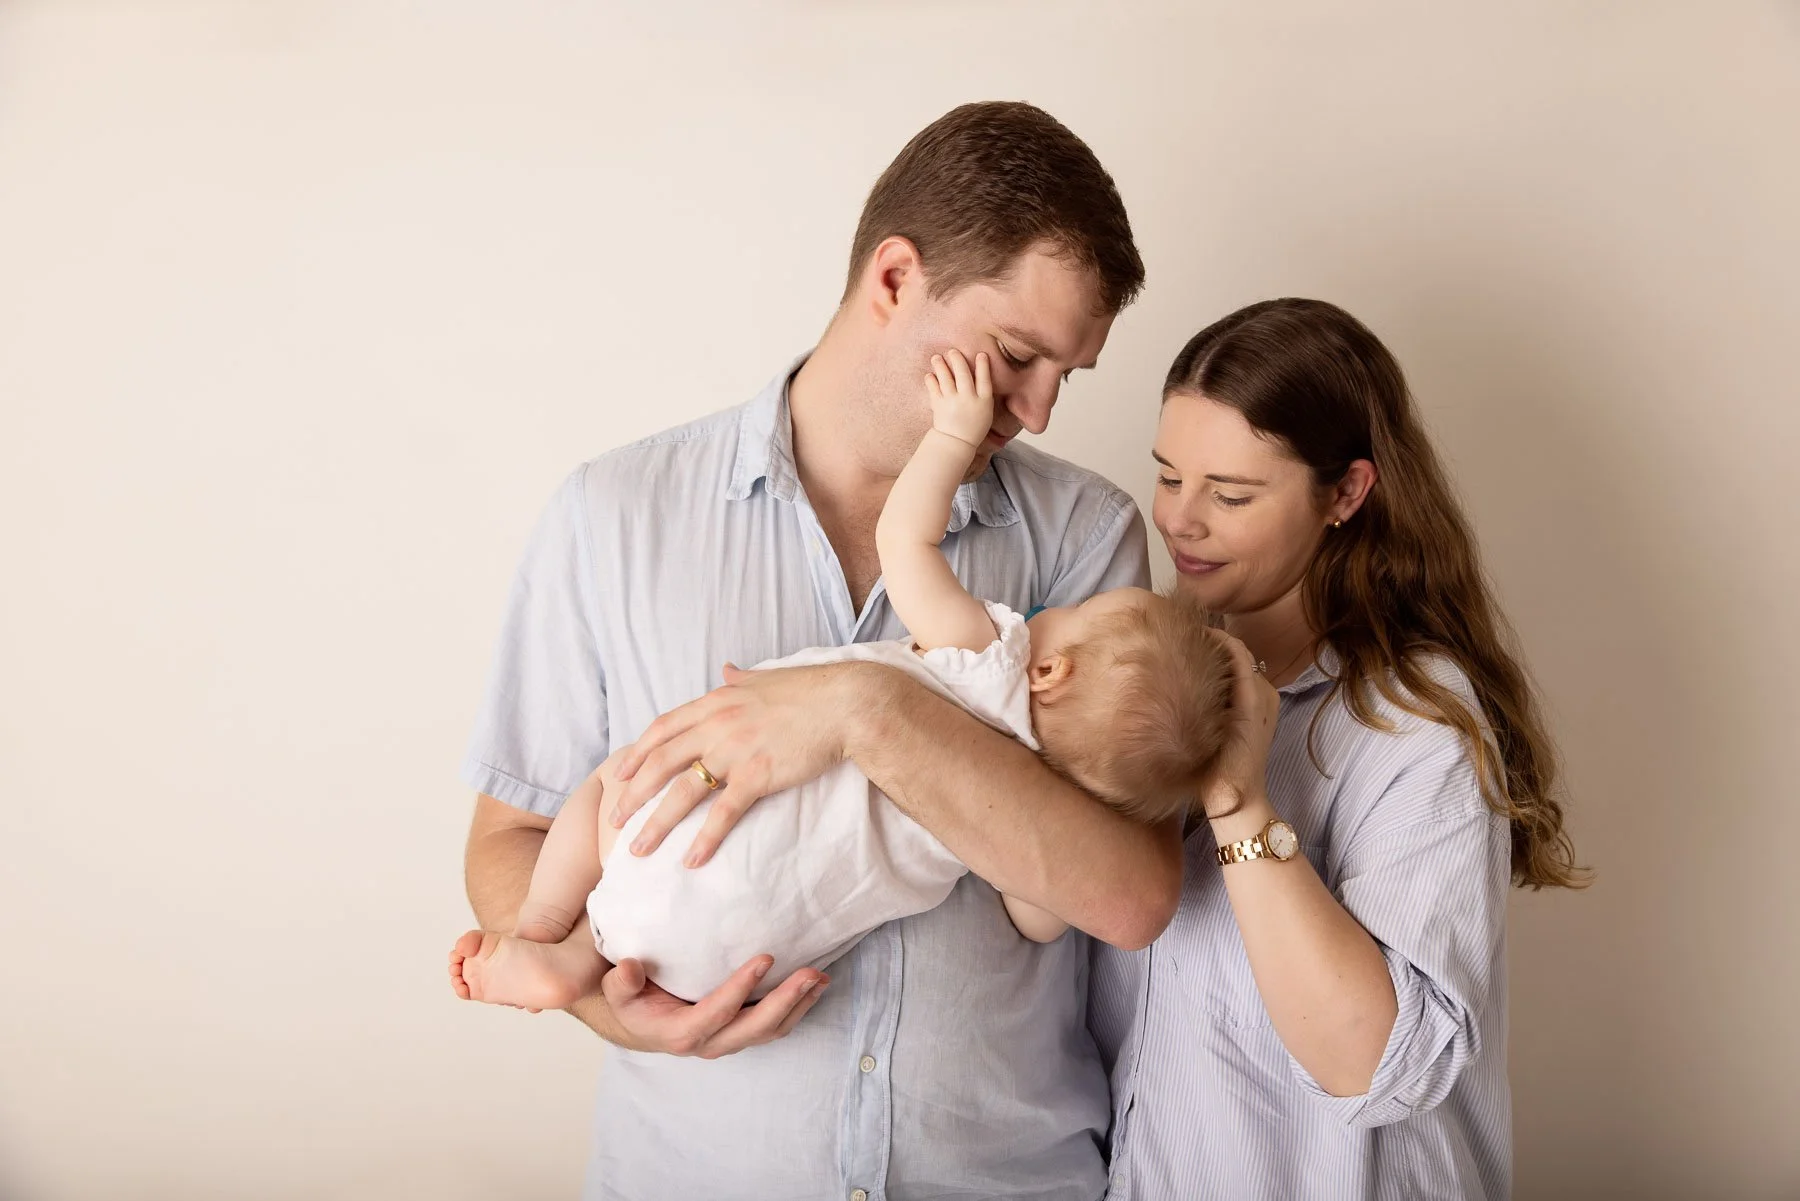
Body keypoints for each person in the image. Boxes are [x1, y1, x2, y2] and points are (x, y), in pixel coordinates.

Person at [460, 101, 1183, 1200]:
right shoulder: (612, 515)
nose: (1036, 410)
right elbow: (508, 839)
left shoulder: (1087, 541)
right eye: (1018, 355)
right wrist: (616, 1002)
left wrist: (869, 710)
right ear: (896, 278)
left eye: (1065, 375)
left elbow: (1127, 896)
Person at [449, 349, 1232, 1009]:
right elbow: (1042, 915)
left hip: (687, 843)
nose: (1038, 405)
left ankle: (552, 935)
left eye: (1082, 613)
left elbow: (907, 538)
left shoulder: (988, 654)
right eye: (1020, 353)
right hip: (741, 961)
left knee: (607, 784)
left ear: (1051, 668)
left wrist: (953, 436)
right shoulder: (1036, 792)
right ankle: (580, 957)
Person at [1084, 297, 1590, 1200]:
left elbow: (1379, 1063)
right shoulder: (1140, 680)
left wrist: (1242, 802)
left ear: (1347, 494)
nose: (1180, 521)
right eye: (1168, 476)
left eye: (1231, 494)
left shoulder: (1416, 722)